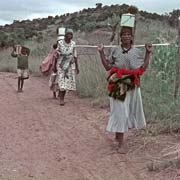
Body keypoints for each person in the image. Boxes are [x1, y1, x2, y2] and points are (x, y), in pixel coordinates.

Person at [97, 26, 152, 153]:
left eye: (129, 34)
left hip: (132, 84)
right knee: (120, 111)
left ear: (132, 37)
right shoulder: (115, 51)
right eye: (124, 34)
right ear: (120, 37)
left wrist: (148, 53)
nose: (126, 36)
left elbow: (142, 69)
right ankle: (121, 143)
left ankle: (118, 136)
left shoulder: (137, 52)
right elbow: (107, 67)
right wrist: (101, 52)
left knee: (128, 111)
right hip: (118, 83)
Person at [55, 28, 79, 105]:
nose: (70, 35)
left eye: (71, 34)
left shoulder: (73, 44)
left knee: (66, 82)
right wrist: (54, 66)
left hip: (69, 65)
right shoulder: (60, 43)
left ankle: (62, 97)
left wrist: (77, 67)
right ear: (65, 35)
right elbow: (56, 54)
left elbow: (75, 55)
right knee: (62, 81)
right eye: (68, 34)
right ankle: (61, 99)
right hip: (61, 64)